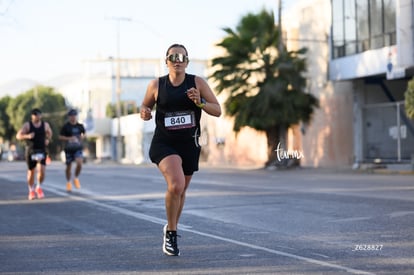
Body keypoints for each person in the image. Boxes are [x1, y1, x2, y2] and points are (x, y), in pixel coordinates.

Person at [140, 44, 221, 256]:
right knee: (176, 185)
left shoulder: (197, 83)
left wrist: (200, 102)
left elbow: (217, 110)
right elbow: (145, 106)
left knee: (181, 190)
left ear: (187, 61)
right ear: (166, 60)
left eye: (183, 57)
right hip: (164, 143)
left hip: (189, 144)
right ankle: (172, 234)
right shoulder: (156, 85)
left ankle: (170, 226)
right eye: (173, 56)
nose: (178, 60)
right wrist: (145, 112)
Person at [16, 108, 53, 200]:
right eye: (34, 114)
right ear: (32, 116)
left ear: (40, 115)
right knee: (31, 172)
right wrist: (27, 136)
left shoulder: (45, 125)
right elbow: (18, 136)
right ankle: (31, 190)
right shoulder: (28, 125)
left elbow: (50, 133)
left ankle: (38, 187)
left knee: (42, 172)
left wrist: (47, 139)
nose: (36, 116)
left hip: (41, 150)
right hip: (31, 151)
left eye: (38, 114)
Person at [59, 109, 86, 192]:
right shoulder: (66, 126)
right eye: (71, 116)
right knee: (69, 167)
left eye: (74, 116)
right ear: (69, 117)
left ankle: (76, 178)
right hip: (69, 149)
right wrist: (69, 138)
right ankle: (68, 182)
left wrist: (82, 137)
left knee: (79, 163)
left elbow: (84, 134)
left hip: (77, 148)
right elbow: (60, 137)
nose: (73, 117)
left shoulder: (80, 126)